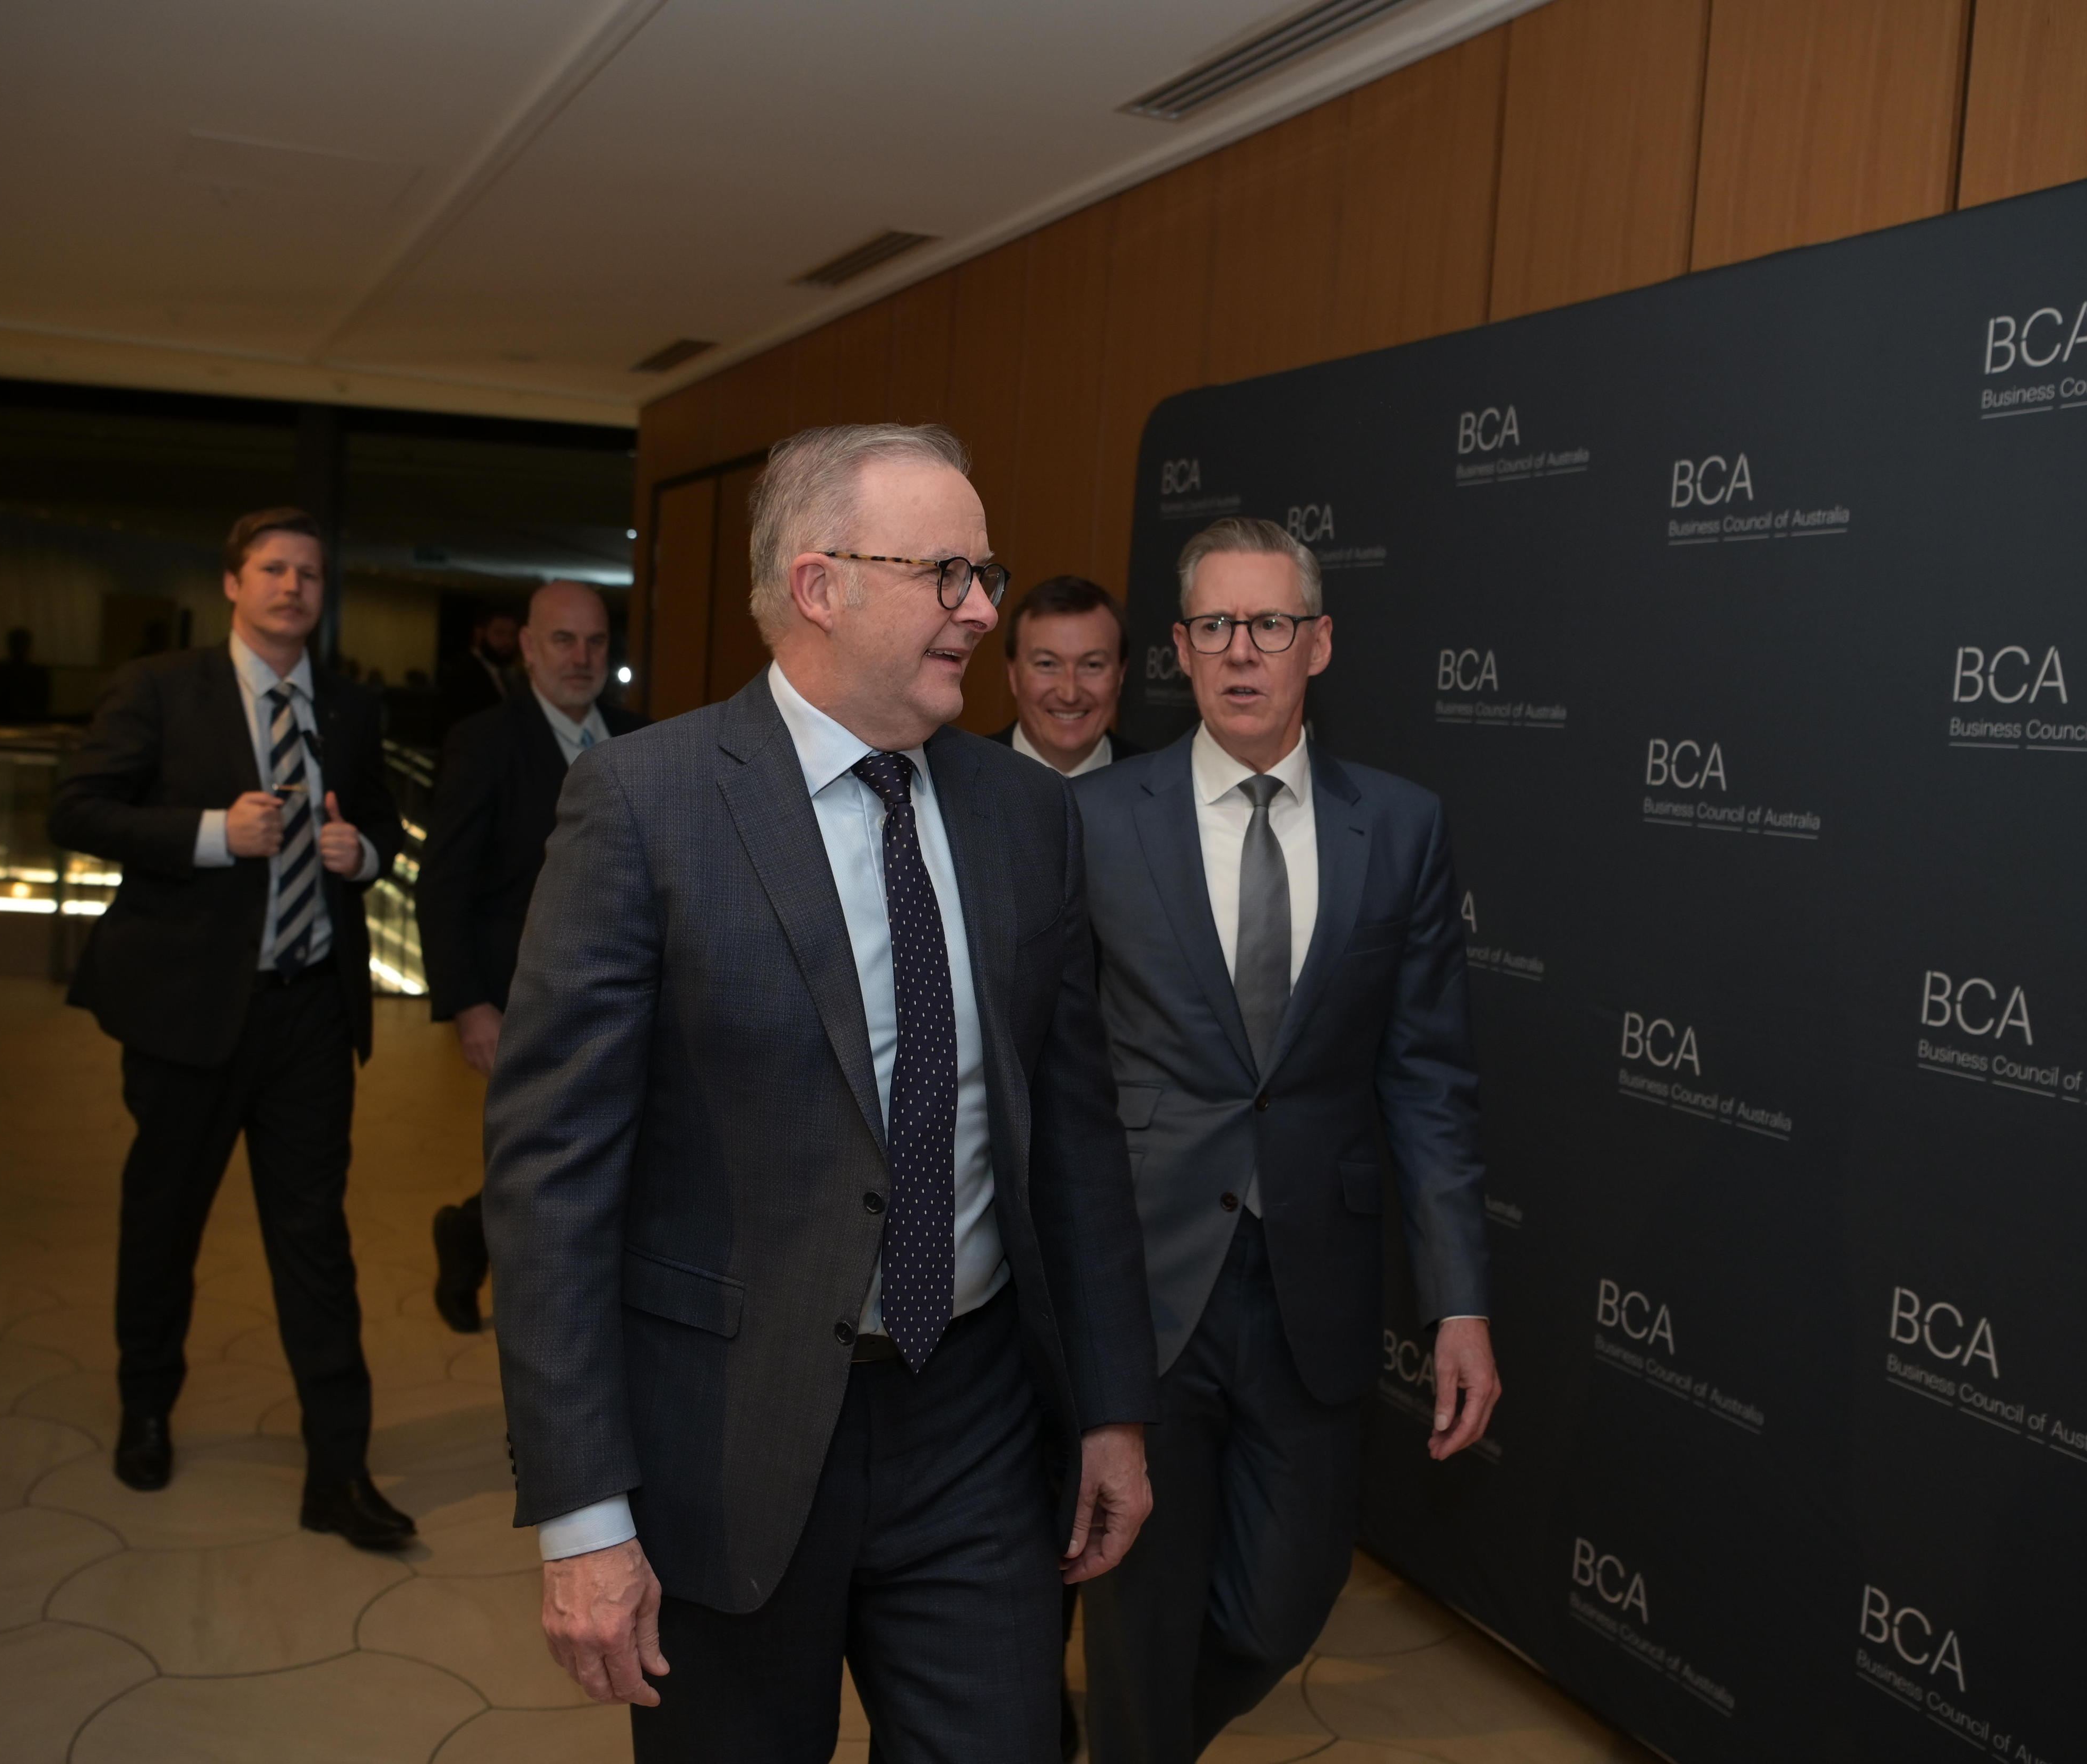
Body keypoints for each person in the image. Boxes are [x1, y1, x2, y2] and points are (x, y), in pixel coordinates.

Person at [484, 423, 1160, 1761]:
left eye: (984, 574)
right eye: (948, 573)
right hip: (727, 1440)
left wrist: (1111, 1406)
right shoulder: (646, 805)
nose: (983, 610)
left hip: (975, 1419)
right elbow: (551, 1183)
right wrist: (583, 1514)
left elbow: (1074, 1140)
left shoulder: (1025, 816)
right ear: (819, 585)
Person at [1072, 516, 1501, 1762]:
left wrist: (1460, 1299)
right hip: (1145, 1281)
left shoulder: (1400, 826)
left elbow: (1428, 1077)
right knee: (1139, 1612)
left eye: (1268, 624)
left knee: (1284, 1602)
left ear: (1317, 643)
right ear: (1178, 648)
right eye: (1214, 625)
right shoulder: (1097, 820)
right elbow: (1055, 1065)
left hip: (1314, 1280)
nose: (1240, 651)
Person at [48, 507, 417, 1552]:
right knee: (164, 1223)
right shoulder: (162, 689)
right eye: (273, 569)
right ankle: (146, 1410)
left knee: (316, 1242)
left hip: (310, 1010)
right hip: (188, 1013)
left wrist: (363, 856)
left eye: (310, 572)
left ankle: (338, 1470)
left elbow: (383, 823)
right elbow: (77, 810)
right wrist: (214, 834)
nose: (293, 587)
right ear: (232, 582)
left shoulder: (348, 705)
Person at [417, 578, 647, 1332]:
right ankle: (535, 1302)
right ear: (527, 647)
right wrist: (468, 1005)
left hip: (635, 993)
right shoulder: (485, 741)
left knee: (598, 1154)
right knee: (550, 1159)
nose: (581, 657)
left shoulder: (642, 739)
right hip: (525, 998)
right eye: (563, 640)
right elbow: (444, 880)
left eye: (596, 642)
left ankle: (476, 1233)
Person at [987, 574, 1141, 776]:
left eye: (1092, 665)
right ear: (1013, 674)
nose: (1070, 695)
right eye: (1047, 664)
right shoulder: (958, 779)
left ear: (1120, 675)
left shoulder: (1163, 785)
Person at [439, 600, 523, 732]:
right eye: (499, 633)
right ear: (480, 634)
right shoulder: (462, 673)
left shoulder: (510, 674)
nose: (507, 642)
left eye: (512, 635)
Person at [0, 626, 53, 724]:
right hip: (14, 723)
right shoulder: (38, 674)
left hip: (4, 723)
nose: (20, 648)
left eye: (21, 644)